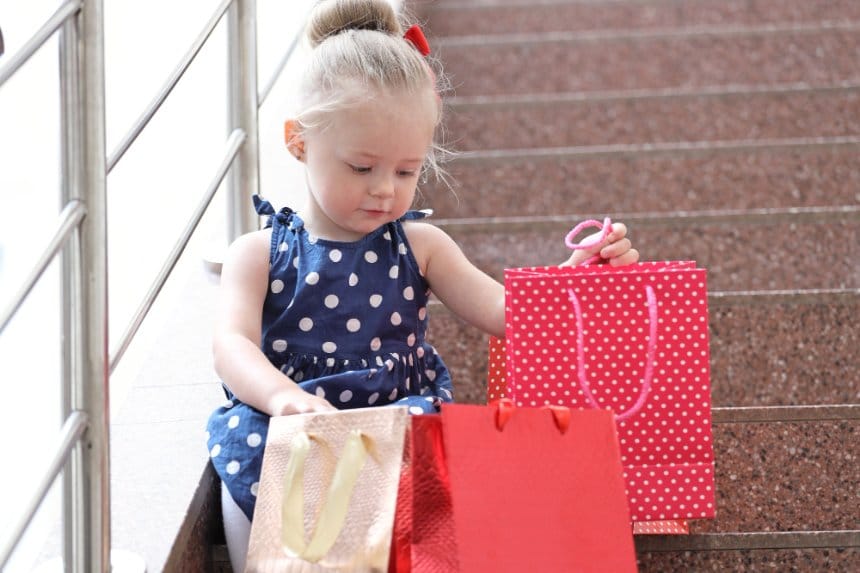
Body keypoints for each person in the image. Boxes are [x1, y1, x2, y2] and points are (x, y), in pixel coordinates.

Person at [206, 0, 639, 569]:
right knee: (249, 452)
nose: (385, 190)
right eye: (362, 167)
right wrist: (281, 397)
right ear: (299, 142)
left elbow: (510, 314)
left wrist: (581, 276)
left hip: (398, 429)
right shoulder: (258, 253)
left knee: (438, 471)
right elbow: (231, 344)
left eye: (406, 171)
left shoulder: (420, 246)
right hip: (294, 430)